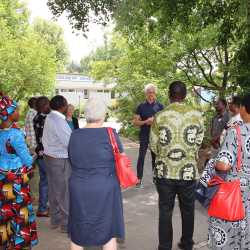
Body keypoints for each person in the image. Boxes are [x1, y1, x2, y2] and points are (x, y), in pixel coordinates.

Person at [150, 81, 204, 250]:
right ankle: (187, 243)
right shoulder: (197, 115)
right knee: (188, 210)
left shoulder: (160, 116)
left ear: (169, 94)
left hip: (164, 172)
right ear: (185, 95)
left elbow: (153, 144)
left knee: (165, 211)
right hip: (187, 172)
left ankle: (165, 246)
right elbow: (198, 142)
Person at [68, 98, 125, 250]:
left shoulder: (75, 135)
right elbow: (120, 157)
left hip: (79, 187)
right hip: (105, 187)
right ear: (103, 115)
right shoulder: (110, 134)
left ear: (86, 115)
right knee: (108, 229)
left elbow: (72, 160)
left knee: (78, 229)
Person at [208, 94, 250, 249]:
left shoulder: (237, 131)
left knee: (231, 233)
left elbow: (223, 165)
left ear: (244, 109)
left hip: (236, 194)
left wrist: (217, 161)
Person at [0, 94, 38, 249]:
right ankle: (19, 244)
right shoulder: (15, 134)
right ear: (8, 114)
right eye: (15, 109)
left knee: (5, 212)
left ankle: (5, 243)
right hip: (15, 180)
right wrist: (34, 157)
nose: (19, 111)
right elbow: (27, 159)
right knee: (19, 213)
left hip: (2, 177)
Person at [42, 95, 72, 233]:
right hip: (60, 160)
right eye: (66, 105)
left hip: (49, 158)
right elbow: (69, 143)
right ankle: (66, 225)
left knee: (54, 191)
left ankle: (55, 220)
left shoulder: (50, 117)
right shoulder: (59, 121)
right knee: (64, 192)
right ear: (63, 106)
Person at [133, 83, 164, 187]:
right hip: (144, 135)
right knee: (141, 157)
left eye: (152, 92)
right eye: (149, 92)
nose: (151, 94)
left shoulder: (160, 106)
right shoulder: (141, 106)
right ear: (146, 93)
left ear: (155, 93)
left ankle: (156, 178)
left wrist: (155, 122)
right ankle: (138, 179)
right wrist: (146, 121)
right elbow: (135, 122)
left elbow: (165, 122)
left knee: (155, 158)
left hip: (156, 136)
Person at [33, 96, 50, 217]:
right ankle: (43, 207)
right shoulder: (45, 119)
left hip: (40, 154)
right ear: (44, 106)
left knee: (44, 181)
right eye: (48, 104)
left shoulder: (37, 117)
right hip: (46, 154)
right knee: (48, 181)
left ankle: (43, 207)